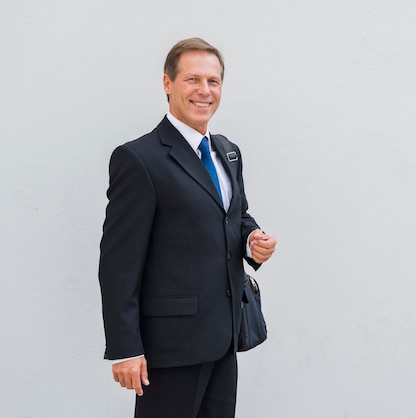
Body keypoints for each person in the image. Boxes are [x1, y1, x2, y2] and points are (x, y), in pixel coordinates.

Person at [98, 37, 277, 418]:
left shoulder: (227, 151)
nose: (204, 90)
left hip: (225, 336)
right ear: (168, 83)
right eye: (192, 79)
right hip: (170, 348)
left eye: (213, 81)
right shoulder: (139, 159)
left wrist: (251, 239)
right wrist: (126, 348)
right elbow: (118, 264)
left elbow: (234, 215)